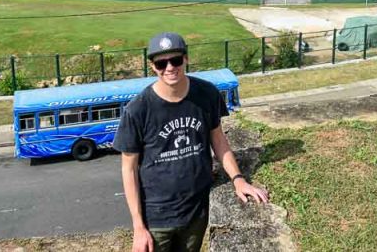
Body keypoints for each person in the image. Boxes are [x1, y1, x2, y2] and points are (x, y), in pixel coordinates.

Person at [114, 32, 269, 252]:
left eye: (175, 60)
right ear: (152, 66)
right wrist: (139, 227)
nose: (169, 67)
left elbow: (218, 139)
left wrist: (238, 179)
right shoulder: (138, 110)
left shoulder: (206, 94)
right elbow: (128, 169)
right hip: (157, 217)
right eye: (161, 63)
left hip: (196, 211)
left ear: (186, 58)